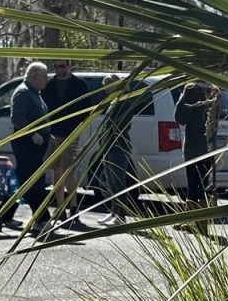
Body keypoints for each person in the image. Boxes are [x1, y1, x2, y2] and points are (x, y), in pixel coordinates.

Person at [42, 60, 91, 219]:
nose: (59, 69)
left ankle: (74, 206)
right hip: (53, 133)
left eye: (62, 66)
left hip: (71, 132)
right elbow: (44, 109)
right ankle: (60, 208)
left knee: (68, 170)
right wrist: (47, 131)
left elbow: (86, 109)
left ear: (69, 66)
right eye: (56, 66)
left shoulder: (79, 84)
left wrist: (77, 128)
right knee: (56, 170)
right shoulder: (48, 84)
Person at [95, 74, 142, 227]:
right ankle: (114, 211)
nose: (106, 89)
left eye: (108, 86)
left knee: (117, 180)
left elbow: (121, 123)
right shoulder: (113, 101)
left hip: (118, 145)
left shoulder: (125, 101)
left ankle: (121, 215)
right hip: (108, 145)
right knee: (109, 180)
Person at [174, 78, 220, 228]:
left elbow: (181, 118)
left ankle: (193, 221)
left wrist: (183, 97)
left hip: (194, 147)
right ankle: (201, 223)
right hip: (208, 146)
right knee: (203, 185)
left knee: (193, 185)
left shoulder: (191, 90)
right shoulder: (213, 91)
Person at [10, 61, 50, 226]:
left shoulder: (35, 92)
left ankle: (4, 215)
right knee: (33, 181)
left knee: (21, 180)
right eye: (44, 76)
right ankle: (42, 219)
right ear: (35, 77)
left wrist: (49, 134)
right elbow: (17, 118)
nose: (46, 80)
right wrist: (33, 134)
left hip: (36, 145)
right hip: (26, 144)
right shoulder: (23, 93)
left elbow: (39, 116)